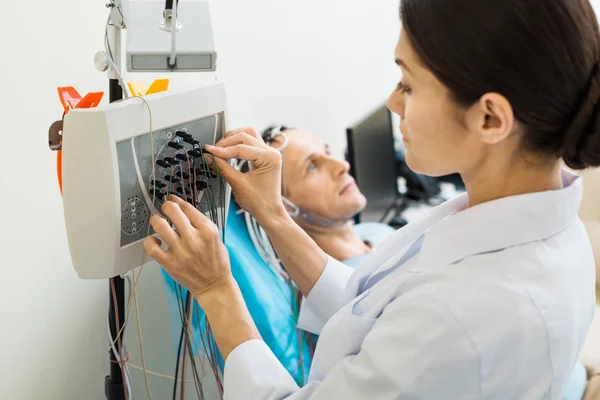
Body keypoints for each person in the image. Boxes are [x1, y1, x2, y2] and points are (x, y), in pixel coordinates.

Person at [145, 1, 600, 398]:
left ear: (489, 118)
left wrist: (215, 290)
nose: (392, 101)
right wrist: (273, 213)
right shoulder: (548, 228)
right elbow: (364, 305)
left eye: (408, 84)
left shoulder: (461, 315)